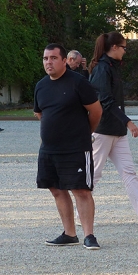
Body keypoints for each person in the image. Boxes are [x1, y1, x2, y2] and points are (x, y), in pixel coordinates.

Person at [89, 31, 138, 226]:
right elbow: (105, 100)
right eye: (124, 47)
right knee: (94, 173)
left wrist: (123, 124)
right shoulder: (102, 69)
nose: (125, 51)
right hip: (103, 129)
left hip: (116, 130)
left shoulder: (112, 67)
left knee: (129, 172)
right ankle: (79, 213)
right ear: (113, 47)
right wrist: (127, 121)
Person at [34, 44, 103, 249]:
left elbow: (96, 112)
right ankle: (69, 233)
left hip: (75, 148)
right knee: (56, 189)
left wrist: (84, 133)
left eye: (54, 58)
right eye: (46, 58)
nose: (49, 62)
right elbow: (40, 113)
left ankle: (89, 235)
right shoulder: (41, 85)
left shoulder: (78, 83)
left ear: (64, 60)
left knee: (81, 190)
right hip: (49, 149)